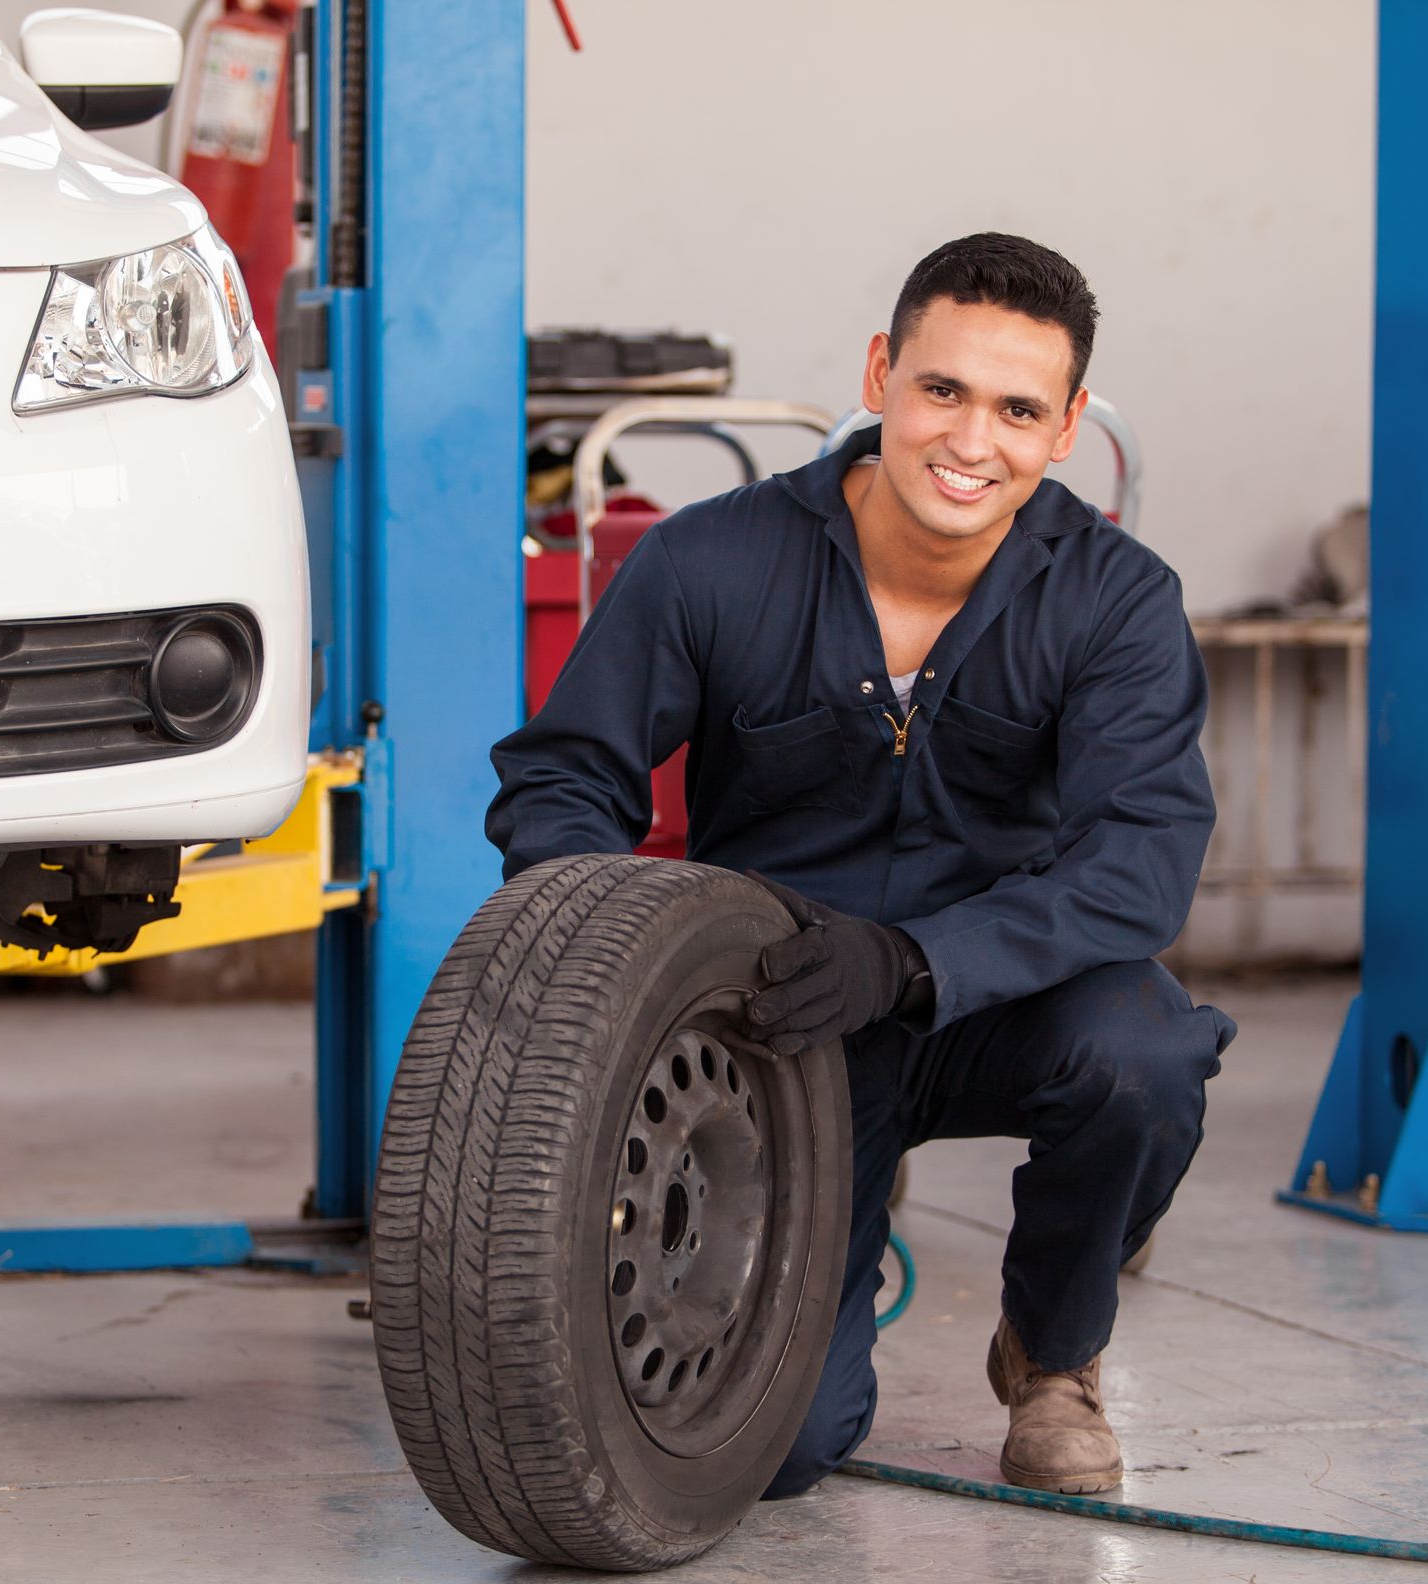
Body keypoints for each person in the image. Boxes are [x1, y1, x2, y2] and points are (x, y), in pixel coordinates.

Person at [486, 232, 1235, 1498]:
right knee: (778, 1452)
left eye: (1017, 410)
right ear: (883, 372)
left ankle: (1052, 1355)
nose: (970, 440)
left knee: (1146, 1052)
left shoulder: (1114, 599)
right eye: (942, 389)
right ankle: (837, 1200)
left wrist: (916, 961)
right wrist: (609, 976)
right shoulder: (710, 562)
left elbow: (1137, 865)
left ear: (1065, 432)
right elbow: (564, 779)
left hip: (1002, 998)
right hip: (785, 1021)